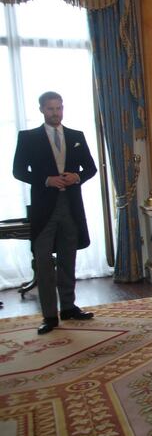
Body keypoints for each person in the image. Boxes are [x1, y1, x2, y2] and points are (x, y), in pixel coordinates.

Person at [13, 91, 98, 335]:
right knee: (43, 262)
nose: (55, 113)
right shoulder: (28, 138)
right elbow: (18, 171)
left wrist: (77, 176)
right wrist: (46, 180)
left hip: (70, 207)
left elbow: (90, 168)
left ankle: (69, 307)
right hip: (43, 210)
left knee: (67, 260)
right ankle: (50, 315)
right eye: (51, 109)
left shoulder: (76, 136)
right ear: (41, 109)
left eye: (59, 108)